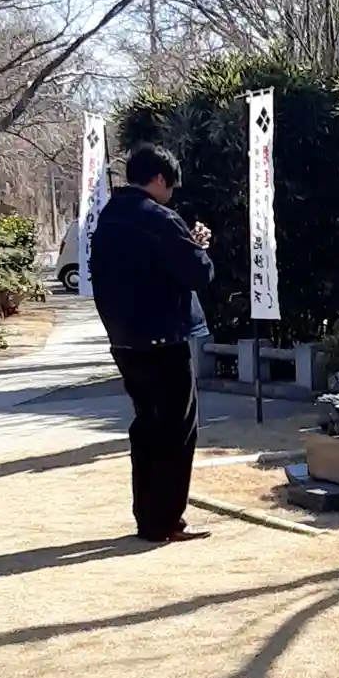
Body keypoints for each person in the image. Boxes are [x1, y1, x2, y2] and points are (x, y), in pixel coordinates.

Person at [89, 143, 215, 544]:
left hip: (124, 341)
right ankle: (166, 519)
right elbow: (197, 274)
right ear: (159, 179)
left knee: (146, 427)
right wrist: (198, 247)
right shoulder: (160, 219)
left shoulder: (108, 217)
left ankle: (147, 517)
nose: (171, 193)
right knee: (177, 430)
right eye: (170, 185)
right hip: (164, 339)